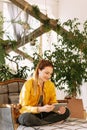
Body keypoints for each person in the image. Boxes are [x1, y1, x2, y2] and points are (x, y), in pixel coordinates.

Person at [17, 59, 70, 126]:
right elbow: (23, 108)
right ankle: (49, 122)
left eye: (50, 74)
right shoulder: (28, 84)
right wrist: (40, 109)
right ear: (39, 70)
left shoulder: (50, 85)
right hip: (31, 114)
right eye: (46, 73)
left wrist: (58, 109)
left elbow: (53, 102)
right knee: (25, 118)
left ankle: (41, 123)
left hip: (44, 114)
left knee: (67, 111)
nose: (49, 76)